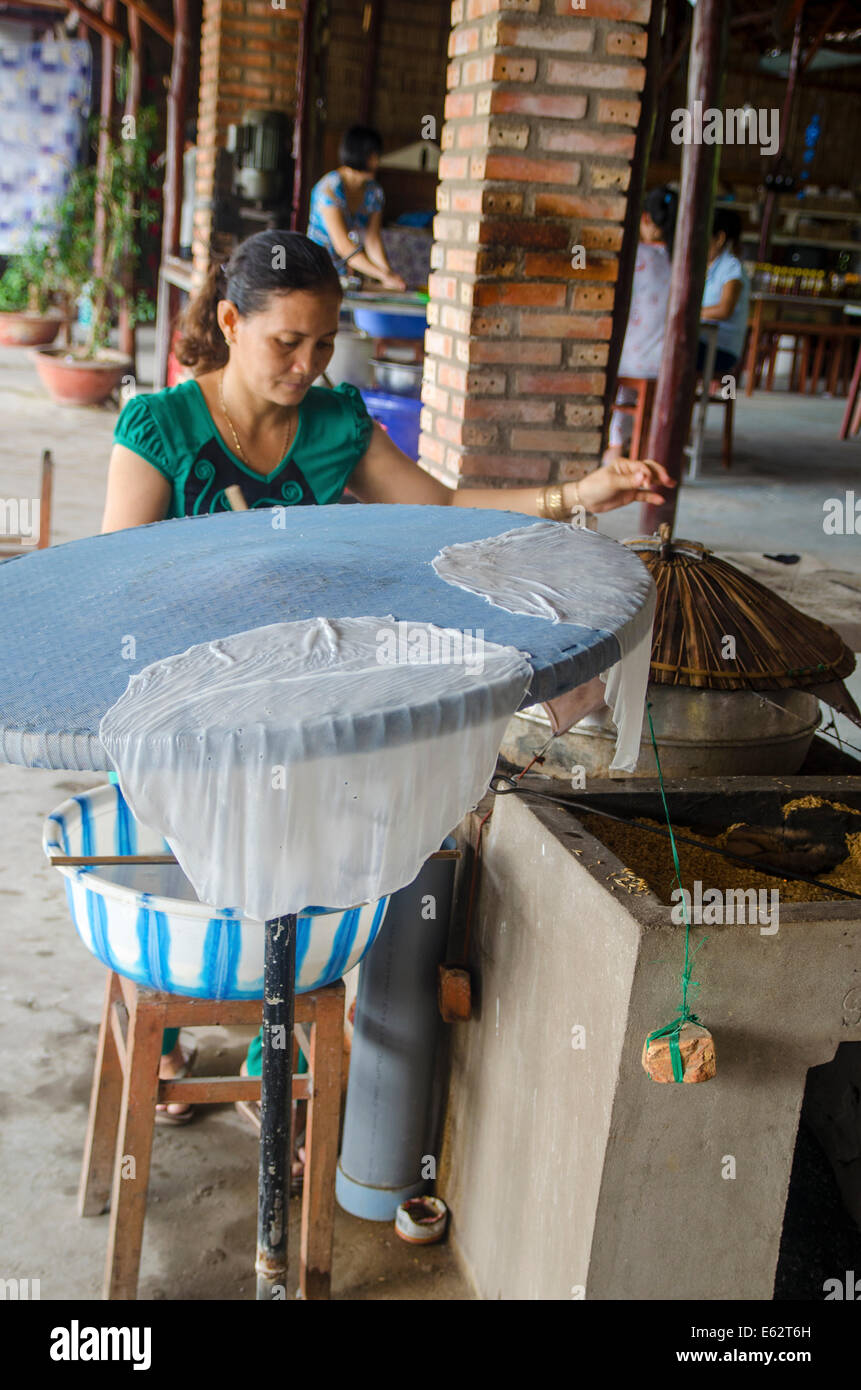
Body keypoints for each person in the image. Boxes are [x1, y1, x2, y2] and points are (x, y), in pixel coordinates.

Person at [103, 229, 672, 1134]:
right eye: (285, 341)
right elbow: (121, 584)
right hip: (190, 702)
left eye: (323, 343)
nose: (306, 362)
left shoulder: (336, 424)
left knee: (306, 857)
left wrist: (579, 494)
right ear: (228, 321)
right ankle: (170, 1019)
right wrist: (224, 575)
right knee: (186, 864)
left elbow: (441, 509)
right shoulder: (160, 428)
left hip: (301, 693)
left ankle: (268, 1049)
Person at [605, 185, 678, 466]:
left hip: (631, 363)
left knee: (620, 360)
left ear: (645, 218)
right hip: (669, 366)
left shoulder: (634, 257)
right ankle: (648, 444)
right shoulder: (684, 261)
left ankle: (615, 446)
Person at [306, 124, 406, 290]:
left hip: (346, 276)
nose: (377, 160)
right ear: (361, 154)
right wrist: (382, 275)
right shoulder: (329, 190)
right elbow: (343, 246)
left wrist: (389, 275)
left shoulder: (374, 192)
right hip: (317, 272)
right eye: (374, 154)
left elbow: (372, 239)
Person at [699, 207, 751, 377]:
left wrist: (690, 313)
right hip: (704, 341)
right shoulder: (711, 267)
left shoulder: (731, 268)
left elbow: (724, 310)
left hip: (720, 350)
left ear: (720, 238)